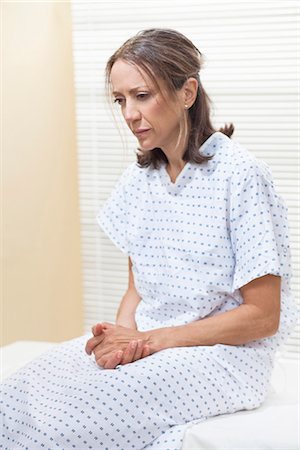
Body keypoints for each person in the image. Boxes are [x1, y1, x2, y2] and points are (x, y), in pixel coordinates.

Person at [1, 28, 297, 450]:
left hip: (225, 358)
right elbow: (136, 289)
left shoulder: (242, 177)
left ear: (187, 92)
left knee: (67, 420)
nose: (129, 114)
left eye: (142, 95)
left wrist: (147, 341)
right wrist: (119, 342)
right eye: (120, 100)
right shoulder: (139, 181)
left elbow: (263, 317)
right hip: (152, 343)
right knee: (13, 398)